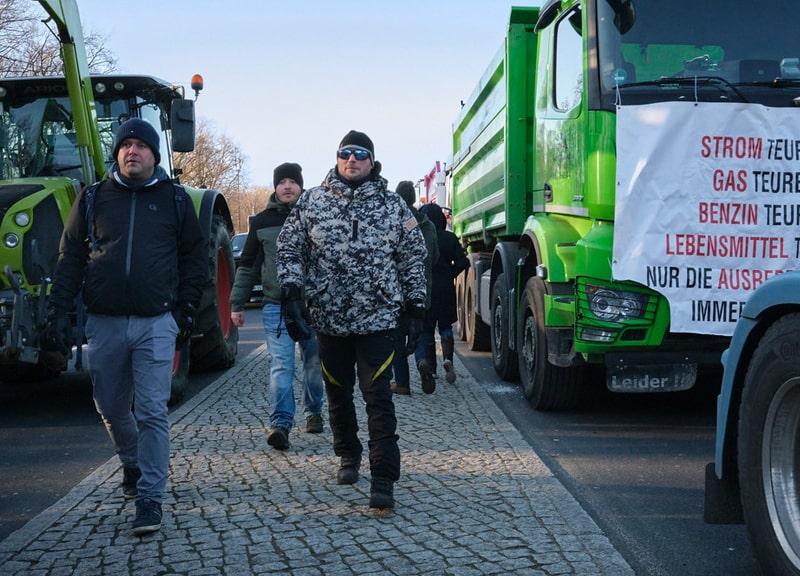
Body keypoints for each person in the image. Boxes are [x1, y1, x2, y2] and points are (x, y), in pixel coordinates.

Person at [44, 118, 207, 535]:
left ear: (155, 154)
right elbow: (70, 258)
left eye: (140, 145)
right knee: (111, 407)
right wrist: (59, 314)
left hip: (157, 322)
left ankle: (151, 498)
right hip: (105, 322)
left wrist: (183, 311)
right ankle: (131, 463)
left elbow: (195, 258)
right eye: (125, 145)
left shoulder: (174, 201)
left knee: (152, 409)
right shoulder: (94, 197)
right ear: (117, 153)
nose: (132, 151)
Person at [277, 130, 427, 510]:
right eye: (345, 153)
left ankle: (383, 477)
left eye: (360, 154)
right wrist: (292, 293)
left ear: (372, 162)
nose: (352, 160)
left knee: (378, 397)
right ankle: (347, 453)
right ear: (337, 158)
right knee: (337, 393)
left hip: (378, 318)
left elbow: (412, 256)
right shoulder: (312, 202)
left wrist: (415, 308)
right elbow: (290, 247)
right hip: (329, 319)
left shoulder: (394, 207)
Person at [230, 162, 325, 450]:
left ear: (300, 185)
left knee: (313, 364)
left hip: (312, 306)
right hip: (276, 307)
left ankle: (314, 412)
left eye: (292, 182)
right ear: (275, 187)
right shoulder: (261, 222)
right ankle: (281, 424)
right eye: (281, 182)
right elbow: (247, 267)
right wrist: (237, 303)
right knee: (281, 366)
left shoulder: (317, 217)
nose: (287, 186)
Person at [390, 181, 438, 396]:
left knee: (397, 338)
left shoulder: (395, 220)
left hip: (399, 290)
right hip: (423, 287)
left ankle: (402, 383)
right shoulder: (427, 224)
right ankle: (422, 361)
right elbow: (435, 256)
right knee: (422, 330)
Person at [416, 202, 470, 392]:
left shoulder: (421, 236)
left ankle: (428, 365)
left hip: (427, 287)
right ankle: (447, 358)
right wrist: (451, 273)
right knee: (446, 327)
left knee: (426, 329)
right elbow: (464, 262)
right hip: (446, 288)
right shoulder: (449, 237)